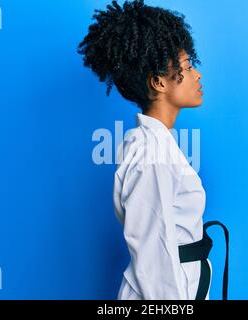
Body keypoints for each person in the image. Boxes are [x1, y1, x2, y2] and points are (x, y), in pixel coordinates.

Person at [78, 0, 228, 300]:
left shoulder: (158, 145)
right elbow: (153, 257)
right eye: (187, 67)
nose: (197, 75)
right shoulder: (150, 155)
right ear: (158, 82)